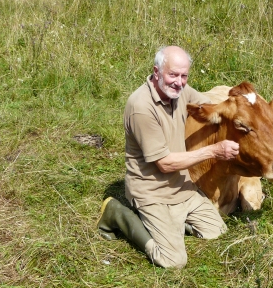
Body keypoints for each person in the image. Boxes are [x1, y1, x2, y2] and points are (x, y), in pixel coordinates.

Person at [97, 45, 240, 268]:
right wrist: (214, 150)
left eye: (184, 76)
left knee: (218, 231)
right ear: (156, 72)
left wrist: (243, 109)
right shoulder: (141, 107)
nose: (179, 82)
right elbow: (164, 164)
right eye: (173, 75)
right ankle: (118, 214)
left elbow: (208, 106)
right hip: (151, 192)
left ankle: (172, 225)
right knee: (174, 261)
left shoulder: (180, 91)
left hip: (181, 187)